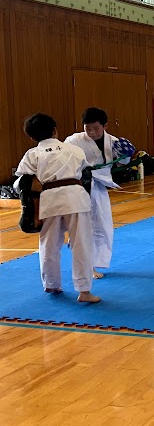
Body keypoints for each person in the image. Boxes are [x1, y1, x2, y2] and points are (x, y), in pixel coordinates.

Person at [15, 114, 100, 303]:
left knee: (49, 244)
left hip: (49, 199)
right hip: (75, 197)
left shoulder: (32, 154)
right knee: (81, 244)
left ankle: (52, 284)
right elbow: (85, 174)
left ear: (32, 137)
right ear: (55, 130)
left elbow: (23, 182)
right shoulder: (74, 150)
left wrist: (28, 210)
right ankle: (84, 291)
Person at [64, 107, 130, 279]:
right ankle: (87, 267)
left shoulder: (113, 141)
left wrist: (126, 154)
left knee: (102, 225)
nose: (91, 133)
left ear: (105, 126)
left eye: (95, 128)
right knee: (85, 227)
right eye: (88, 129)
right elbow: (64, 162)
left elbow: (122, 163)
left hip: (99, 187)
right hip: (80, 187)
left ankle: (94, 263)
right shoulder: (73, 141)